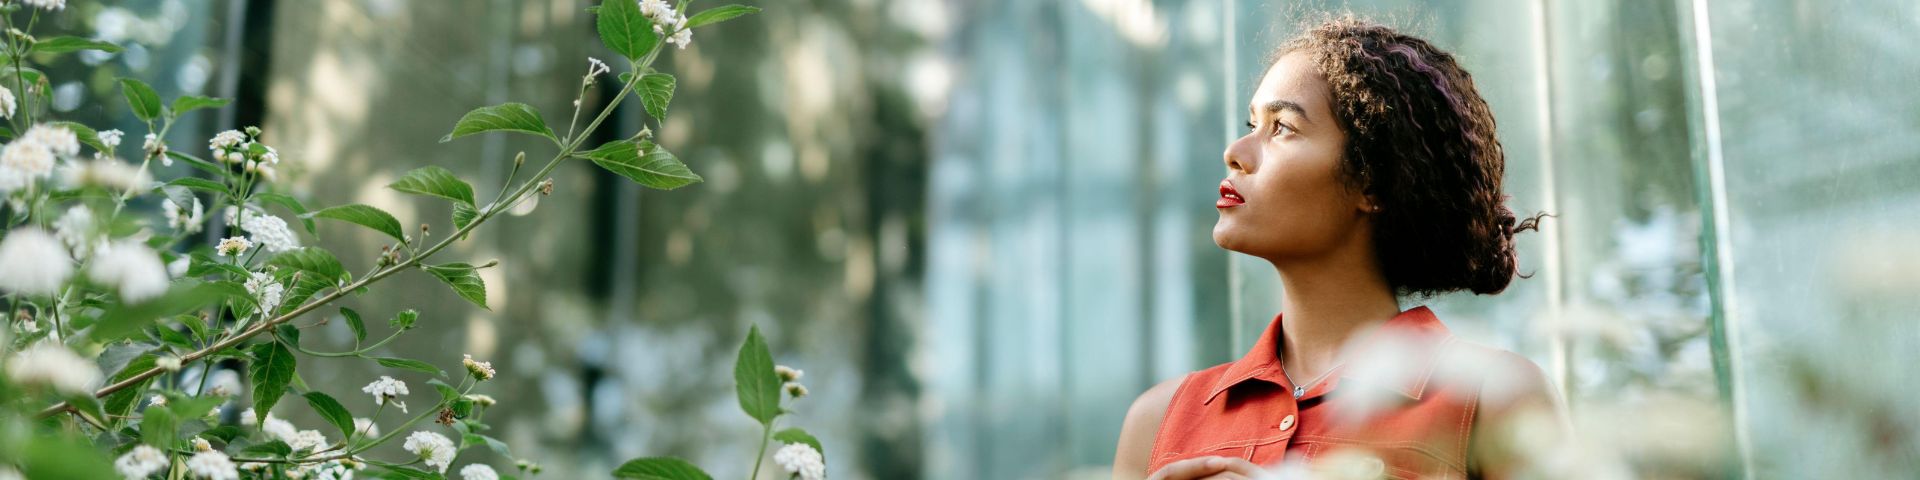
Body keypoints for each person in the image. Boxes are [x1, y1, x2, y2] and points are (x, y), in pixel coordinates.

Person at [1113, 15, 1567, 480]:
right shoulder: (1156, 422)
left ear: (1373, 184)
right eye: (1252, 123)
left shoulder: (1494, 397)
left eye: (1282, 127)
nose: (1235, 150)